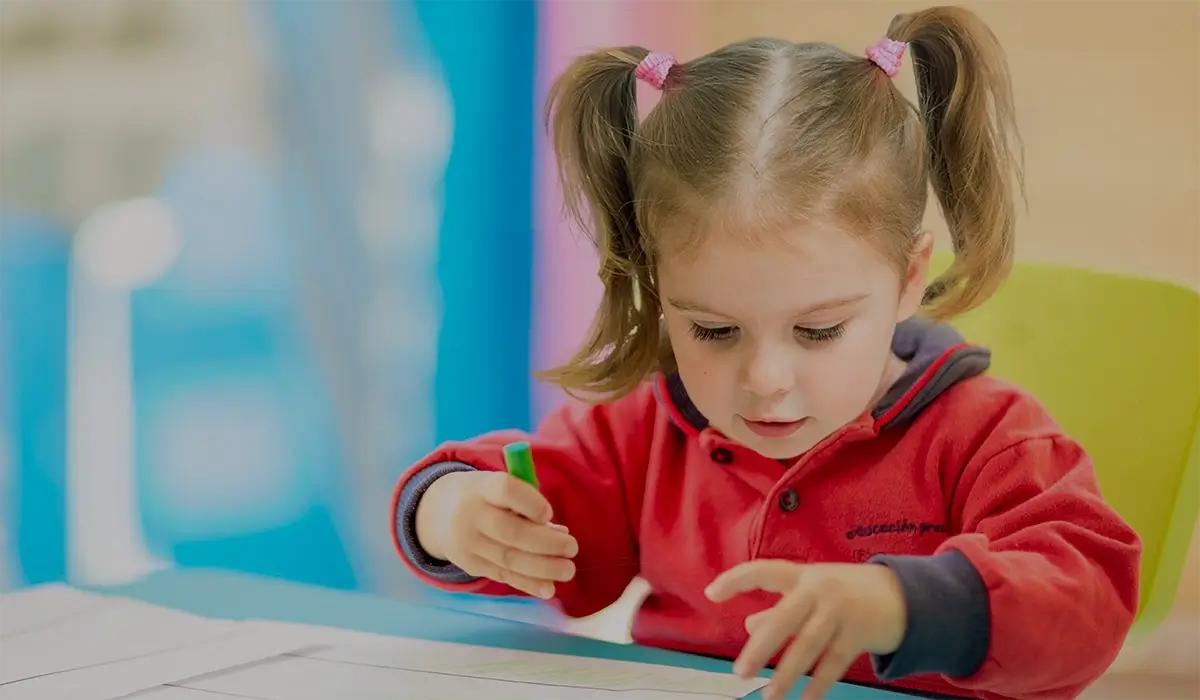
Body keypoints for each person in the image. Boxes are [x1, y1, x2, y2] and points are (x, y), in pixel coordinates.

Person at [390, 6, 1141, 700]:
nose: (764, 381)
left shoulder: (989, 437)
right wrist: (451, 512)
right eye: (714, 331)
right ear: (658, 283)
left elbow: (1088, 597)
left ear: (910, 277)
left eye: (818, 332)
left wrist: (904, 606)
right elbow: (543, 514)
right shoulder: (651, 425)